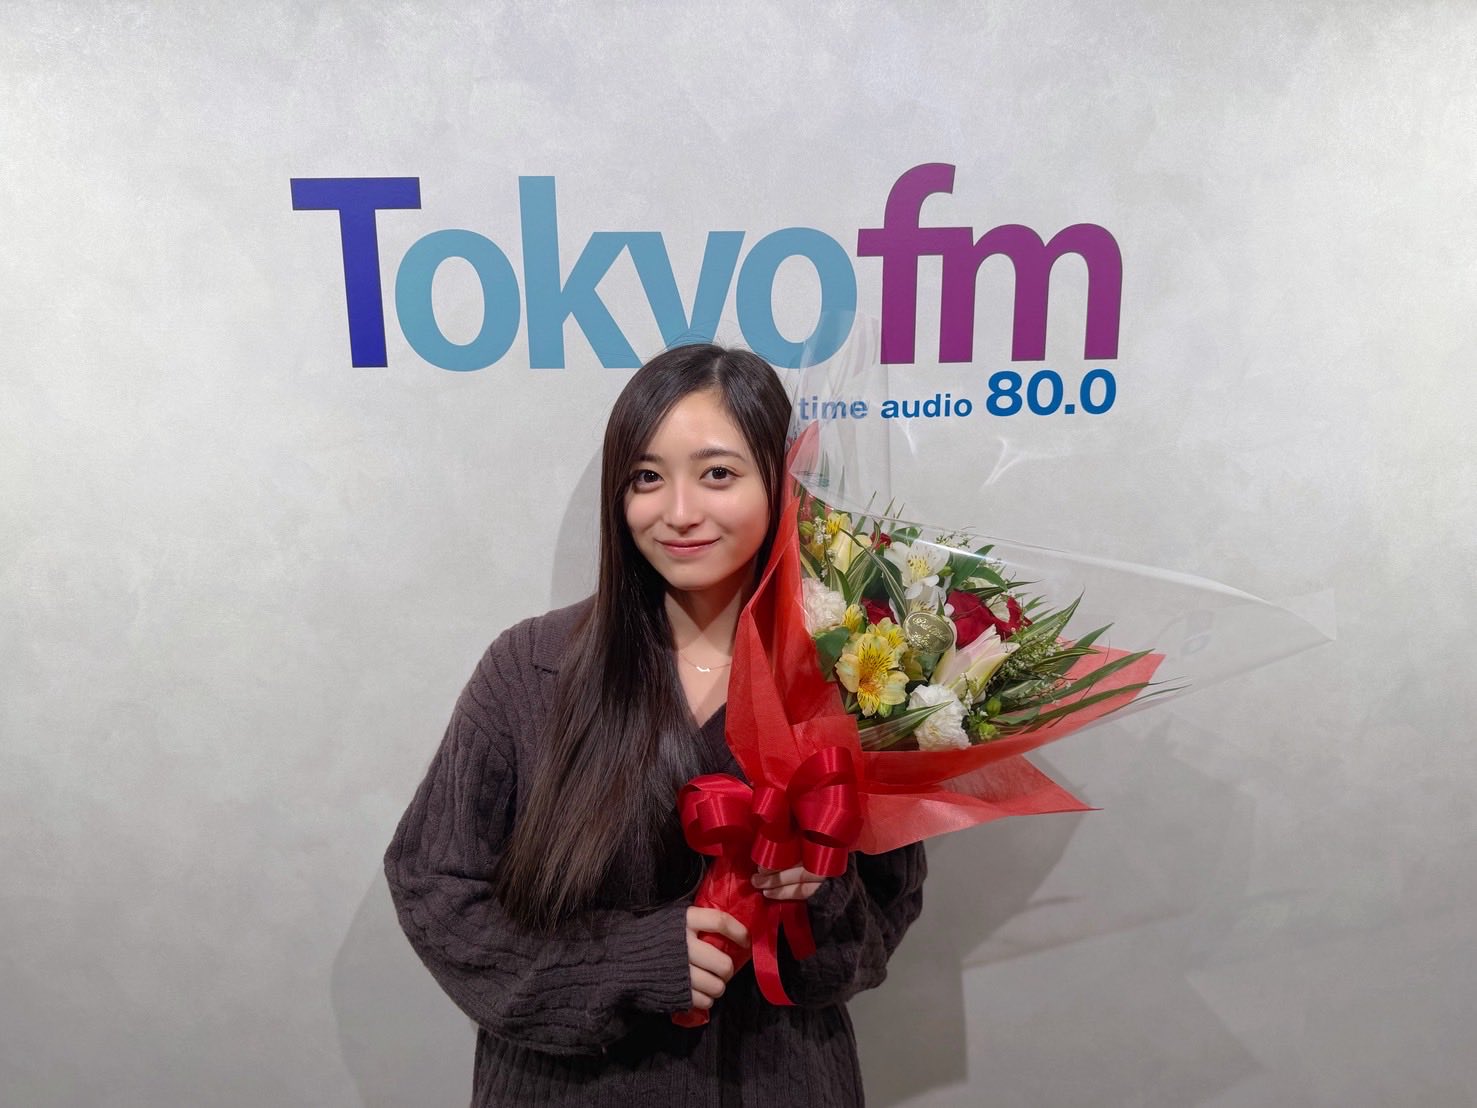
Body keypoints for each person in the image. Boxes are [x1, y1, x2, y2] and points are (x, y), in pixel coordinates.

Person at [384, 343, 927, 1106]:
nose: (677, 512)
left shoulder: (855, 677)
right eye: (646, 477)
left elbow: (873, 938)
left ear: (782, 481)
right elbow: (434, 888)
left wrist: (815, 893)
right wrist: (623, 963)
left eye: (717, 474)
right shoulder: (530, 669)